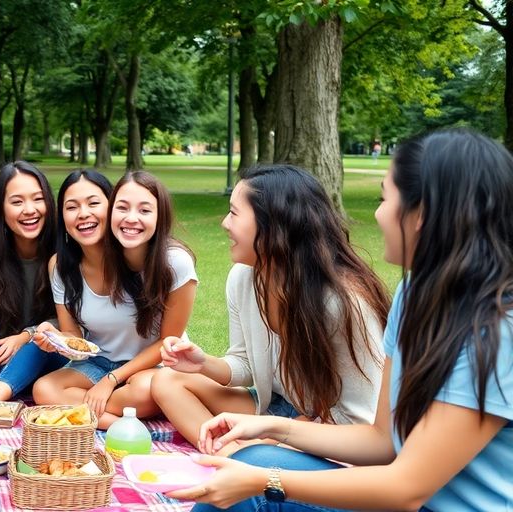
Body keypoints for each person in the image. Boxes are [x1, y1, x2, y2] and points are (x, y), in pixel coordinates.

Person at [173, 129, 513, 511]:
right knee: (242, 467)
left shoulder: (497, 330)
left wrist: (265, 479)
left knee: (250, 478)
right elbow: (382, 441)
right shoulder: (414, 295)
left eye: (386, 198)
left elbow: (406, 489)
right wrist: (271, 427)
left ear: (422, 215)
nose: (378, 213)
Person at [151, 164, 390, 454]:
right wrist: (203, 364)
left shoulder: (342, 301)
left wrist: (273, 437)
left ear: (273, 223)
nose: (225, 223)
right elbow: (245, 364)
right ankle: (235, 455)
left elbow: (359, 418)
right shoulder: (243, 277)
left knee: (258, 453)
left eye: (234, 213)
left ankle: (242, 457)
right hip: (271, 407)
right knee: (166, 380)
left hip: (328, 426)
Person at [32, 170, 198, 429]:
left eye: (93, 203)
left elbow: (168, 341)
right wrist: (54, 338)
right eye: (71, 207)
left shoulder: (140, 255)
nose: (83, 213)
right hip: (99, 363)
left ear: (111, 208)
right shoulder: (61, 266)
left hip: (151, 366)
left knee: (145, 392)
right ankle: (121, 425)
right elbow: (72, 335)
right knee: (44, 389)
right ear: (62, 218)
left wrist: (110, 381)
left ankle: (88, 413)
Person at [0, 161, 68, 402]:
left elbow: (69, 318)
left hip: (46, 352)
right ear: (1, 209)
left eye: (38, 199)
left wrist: (26, 336)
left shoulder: (65, 250)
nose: (30, 210)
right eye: (17, 202)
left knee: (45, 337)